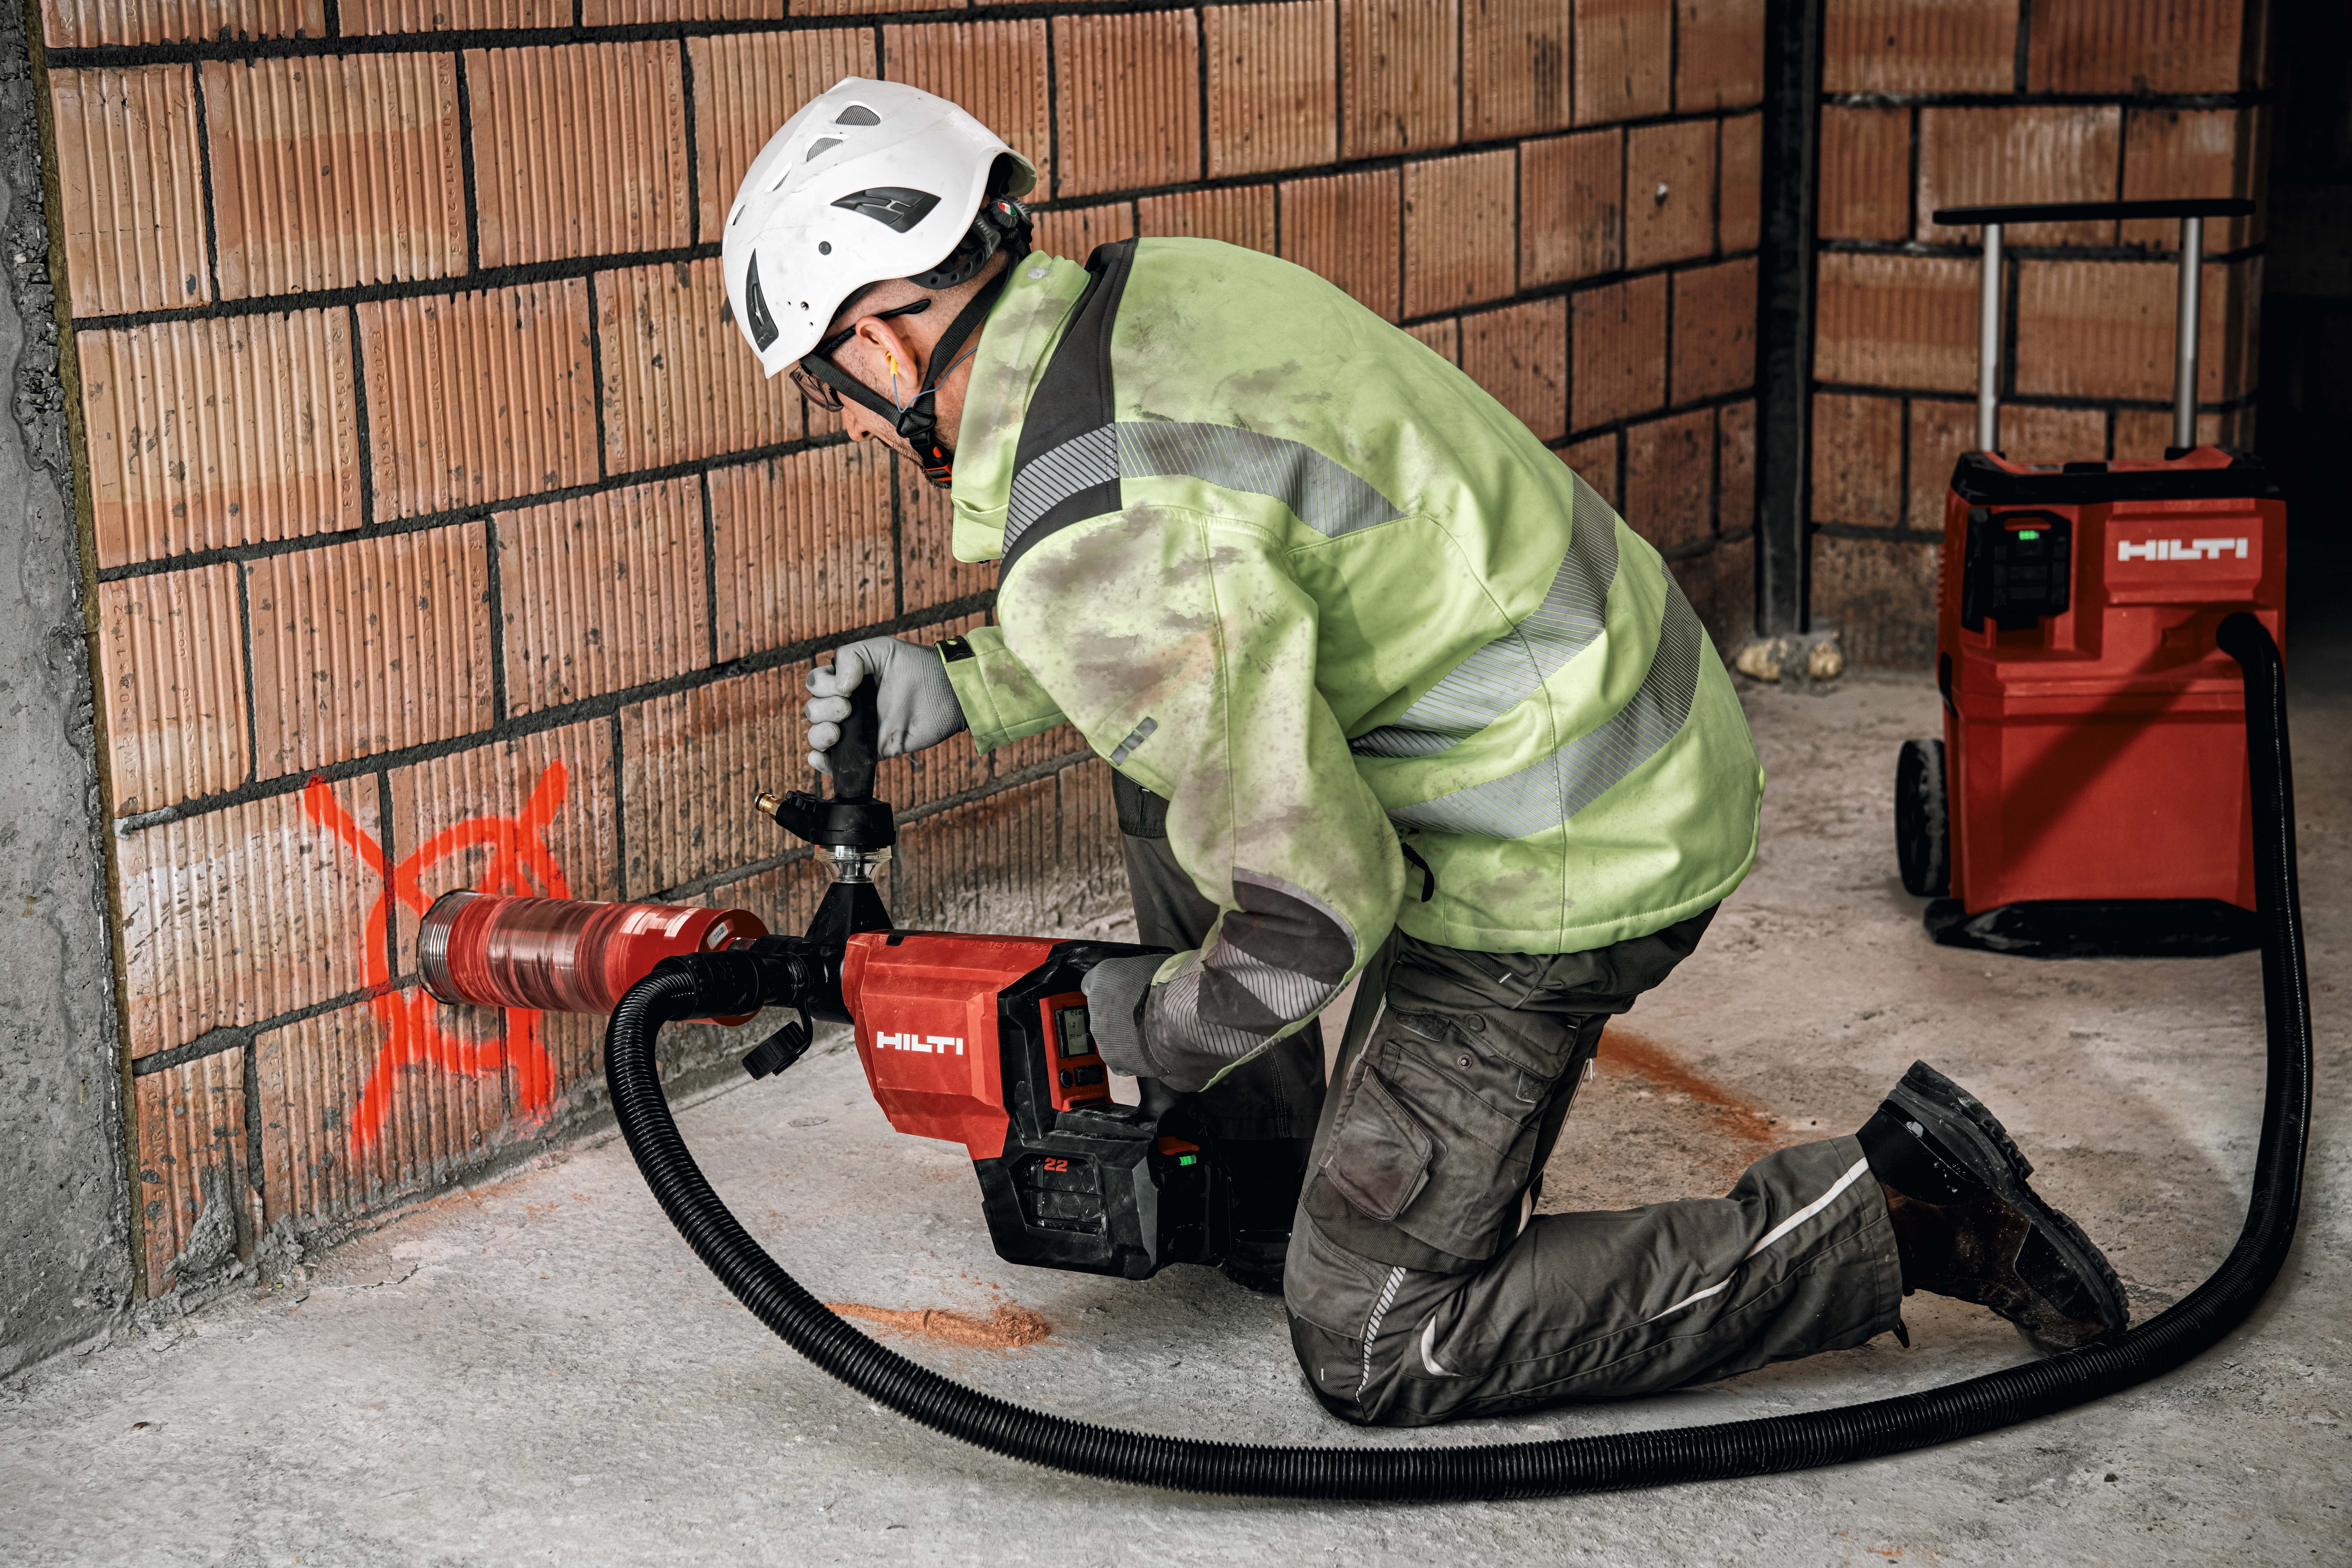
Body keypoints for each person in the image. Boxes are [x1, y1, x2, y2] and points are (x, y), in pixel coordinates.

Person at [723, 78, 2128, 1426]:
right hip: (1614, 718)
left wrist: (1123, 1021)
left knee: (1377, 1341)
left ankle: (1902, 1216)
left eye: (827, 386)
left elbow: (1307, 918)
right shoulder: (1158, 290)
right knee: (1165, 774)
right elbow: (1219, 587)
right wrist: (972, 682)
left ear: (883, 343)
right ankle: (1266, 1184)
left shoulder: (1095, 538)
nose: (846, 421)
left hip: (1563, 857)